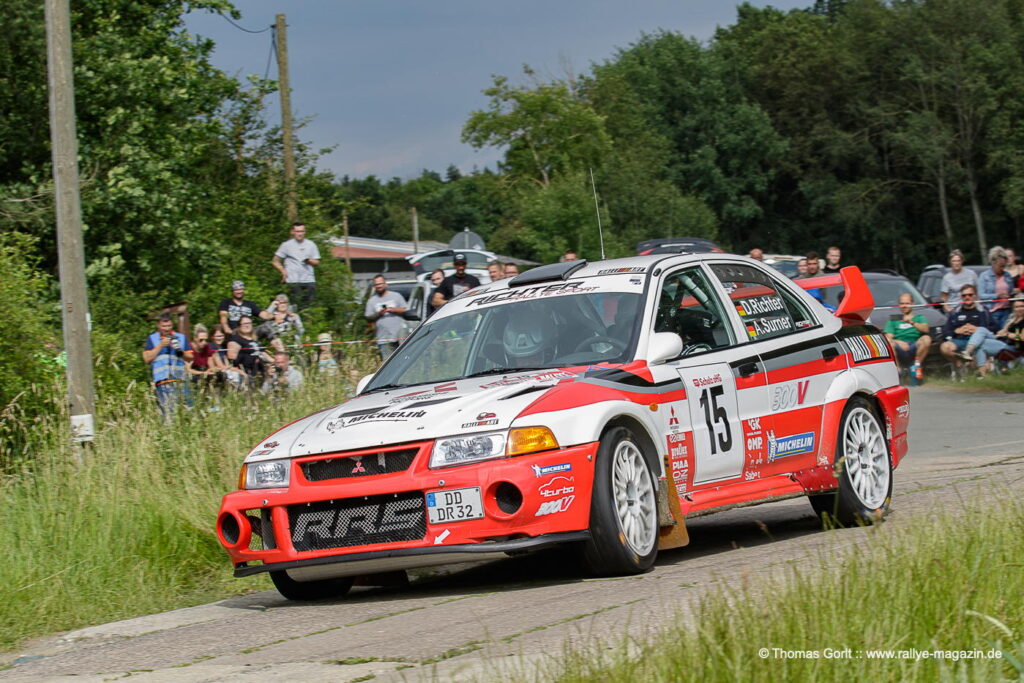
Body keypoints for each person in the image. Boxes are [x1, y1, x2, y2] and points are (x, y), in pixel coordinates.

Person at [940, 284, 1010, 378]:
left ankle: (970, 360)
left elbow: (995, 328)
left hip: (980, 343)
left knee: (982, 365)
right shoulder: (955, 312)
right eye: (964, 295)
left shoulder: (983, 311)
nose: (967, 297)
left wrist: (977, 329)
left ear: (975, 296)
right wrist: (957, 331)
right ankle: (959, 365)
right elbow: (945, 332)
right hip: (961, 340)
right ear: (961, 297)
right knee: (945, 347)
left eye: (970, 295)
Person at [142, 313, 193, 419]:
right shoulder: (152, 338)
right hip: (162, 381)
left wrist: (179, 350)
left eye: (169, 326)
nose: (167, 329)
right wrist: (160, 346)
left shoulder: (181, 337)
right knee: (168, 414)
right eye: (164, 326)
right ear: (158, 326)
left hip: (180, 380)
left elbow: (190, 357)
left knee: (188, 411)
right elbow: (147, 358)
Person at [883, 293, 932, 383]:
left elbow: (926, 329)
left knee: (927, 339)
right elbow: (888, 337)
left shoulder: (919, 317)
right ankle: (898, 371)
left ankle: (916, 367)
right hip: (898, 346)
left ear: (913, 304)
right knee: (888, 341)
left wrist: (911, 322)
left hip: (914, 345)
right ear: (899, 305)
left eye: (907, 303)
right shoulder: (894, 319)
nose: (904, 306)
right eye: (902, 303)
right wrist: (899, 342)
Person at [272, 222, 321, 309]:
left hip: (309, 280)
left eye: (302, 231)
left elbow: (317, 262)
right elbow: (275, 261)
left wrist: (309, 261)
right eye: (297, 231)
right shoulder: (286, 245)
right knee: (295, 306)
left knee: (308, 307)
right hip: (293, 280)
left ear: (305, 232)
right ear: (293, 232)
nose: (300, 234)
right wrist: (283, 271)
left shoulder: (311, 245)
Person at [365, 274, 408, 360]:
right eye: (376, 284)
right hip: (383, 339)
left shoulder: (396, 296)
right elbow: (368, 317)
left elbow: (406, 310)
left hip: (400, 337)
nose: (379, 286)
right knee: (387, 362)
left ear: (385, 284)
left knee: (403, 360)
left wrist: (393, 310)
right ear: (374, 286)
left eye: (380, 283)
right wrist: (379, 313)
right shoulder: (371, 301)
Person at [978, 245, 1015, 328]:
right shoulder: (984, 276)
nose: (1003, 268)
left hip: (1007, 310)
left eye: (1004, 266)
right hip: (992, 311)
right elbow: (981, 295)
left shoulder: (1007, 275)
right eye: (1000, 266)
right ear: (993, 263)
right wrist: (996, 296)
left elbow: (1011, 291)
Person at [226, 316, 267, 389]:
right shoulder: (235, 339)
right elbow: (231, 359)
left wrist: (275, 361)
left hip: (259, 369)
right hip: (245, 370)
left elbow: (262, 353)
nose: (247, 325)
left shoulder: (255, 340)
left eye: (249, 323)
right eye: (244, 323)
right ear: (239, 326)